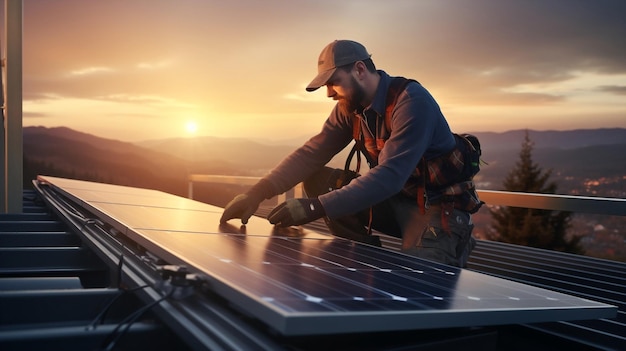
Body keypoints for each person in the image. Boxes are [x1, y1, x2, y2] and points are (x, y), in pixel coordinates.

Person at [220, 40, 480, 268]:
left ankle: (451, 240)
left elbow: (390, 176)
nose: (329, 93)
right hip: (395, 200)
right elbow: (311, 154)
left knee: (417, 290)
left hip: (436, 210)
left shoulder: (412, 102)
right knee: (317, 179)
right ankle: (362, 261)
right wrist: (257, 192)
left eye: (334, 82)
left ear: (359, 69)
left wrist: (316, 206)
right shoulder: (350, 108)